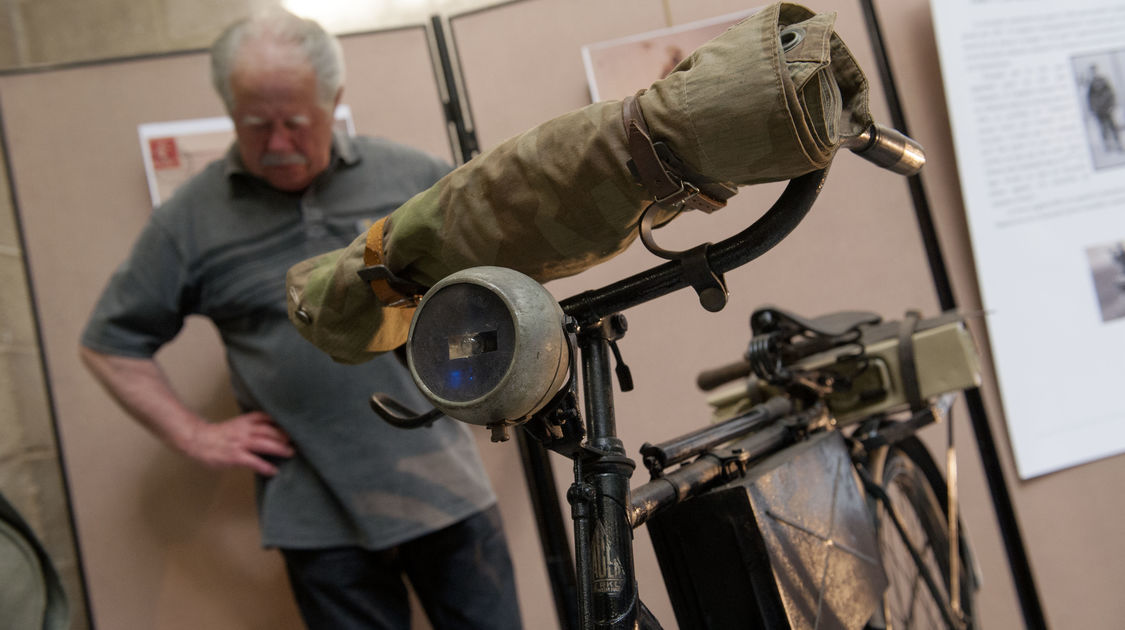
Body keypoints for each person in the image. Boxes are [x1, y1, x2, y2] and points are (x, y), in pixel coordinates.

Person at [79, 9, 520, 630]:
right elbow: (109, 344)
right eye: (256, 125)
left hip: (444, 486)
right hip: (316, 517)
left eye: (295, 122)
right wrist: (194, 435)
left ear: (333, 99)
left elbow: (491, 289)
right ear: (229, 108)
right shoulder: (188, 221)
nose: (278, 144)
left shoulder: (414, 180)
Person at [1087, 64, 1122, 152]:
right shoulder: (1091, 84)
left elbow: (1111, 93)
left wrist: (1112, 105)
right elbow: (1090, 99)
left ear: (1097, 70)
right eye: (1092, 71)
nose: (1094, 73)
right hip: (1099, 111)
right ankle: (1108, 146)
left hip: (1107, 109)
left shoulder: (1104, 80)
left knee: (1113, 127)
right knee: (1103, 129)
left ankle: (1119, 144)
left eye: (1095, 70)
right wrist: (1093, 109)